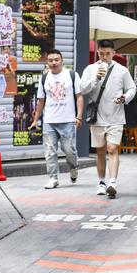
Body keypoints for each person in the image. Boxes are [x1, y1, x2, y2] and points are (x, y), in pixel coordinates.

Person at [80, 40, 136, 199]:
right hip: (97, 117)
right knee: (100, 151)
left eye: (108, 53)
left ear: (113, 53)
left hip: (116, 116)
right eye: (101, 53)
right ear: (98, 52)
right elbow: (83, 89)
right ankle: (101, 182)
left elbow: (132, 88)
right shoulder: (90, 69)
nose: (104, 57)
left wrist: (124, 98)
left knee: (112, 148)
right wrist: (95, 79)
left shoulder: (122, 70)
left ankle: (113, 182)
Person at [29, 49, 83, 189]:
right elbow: (40, 100)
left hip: (67, 120)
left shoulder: (71, 75)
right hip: (49, 121)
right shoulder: (44, 78)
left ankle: (73, 167)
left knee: (69, 150)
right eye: (51, 60)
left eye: (56, 60)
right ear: (47, 62)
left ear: (62, 60)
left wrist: (79, 116)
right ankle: (53, 178)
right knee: (50, 151)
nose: (54, 63)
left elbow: (79, 97)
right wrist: (36, 120)